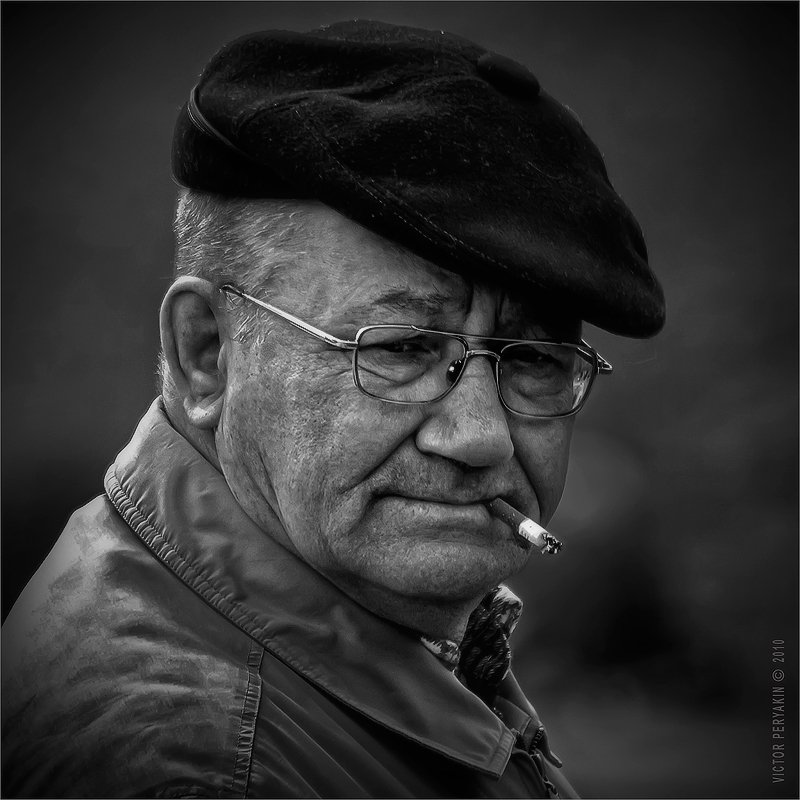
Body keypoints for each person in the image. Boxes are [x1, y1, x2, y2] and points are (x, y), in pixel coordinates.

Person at [1, 19, 665, 799]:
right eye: (403, 347)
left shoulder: (340, 632)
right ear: (206, 352)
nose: (480, 436)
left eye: (535, 360)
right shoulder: (201, 770)